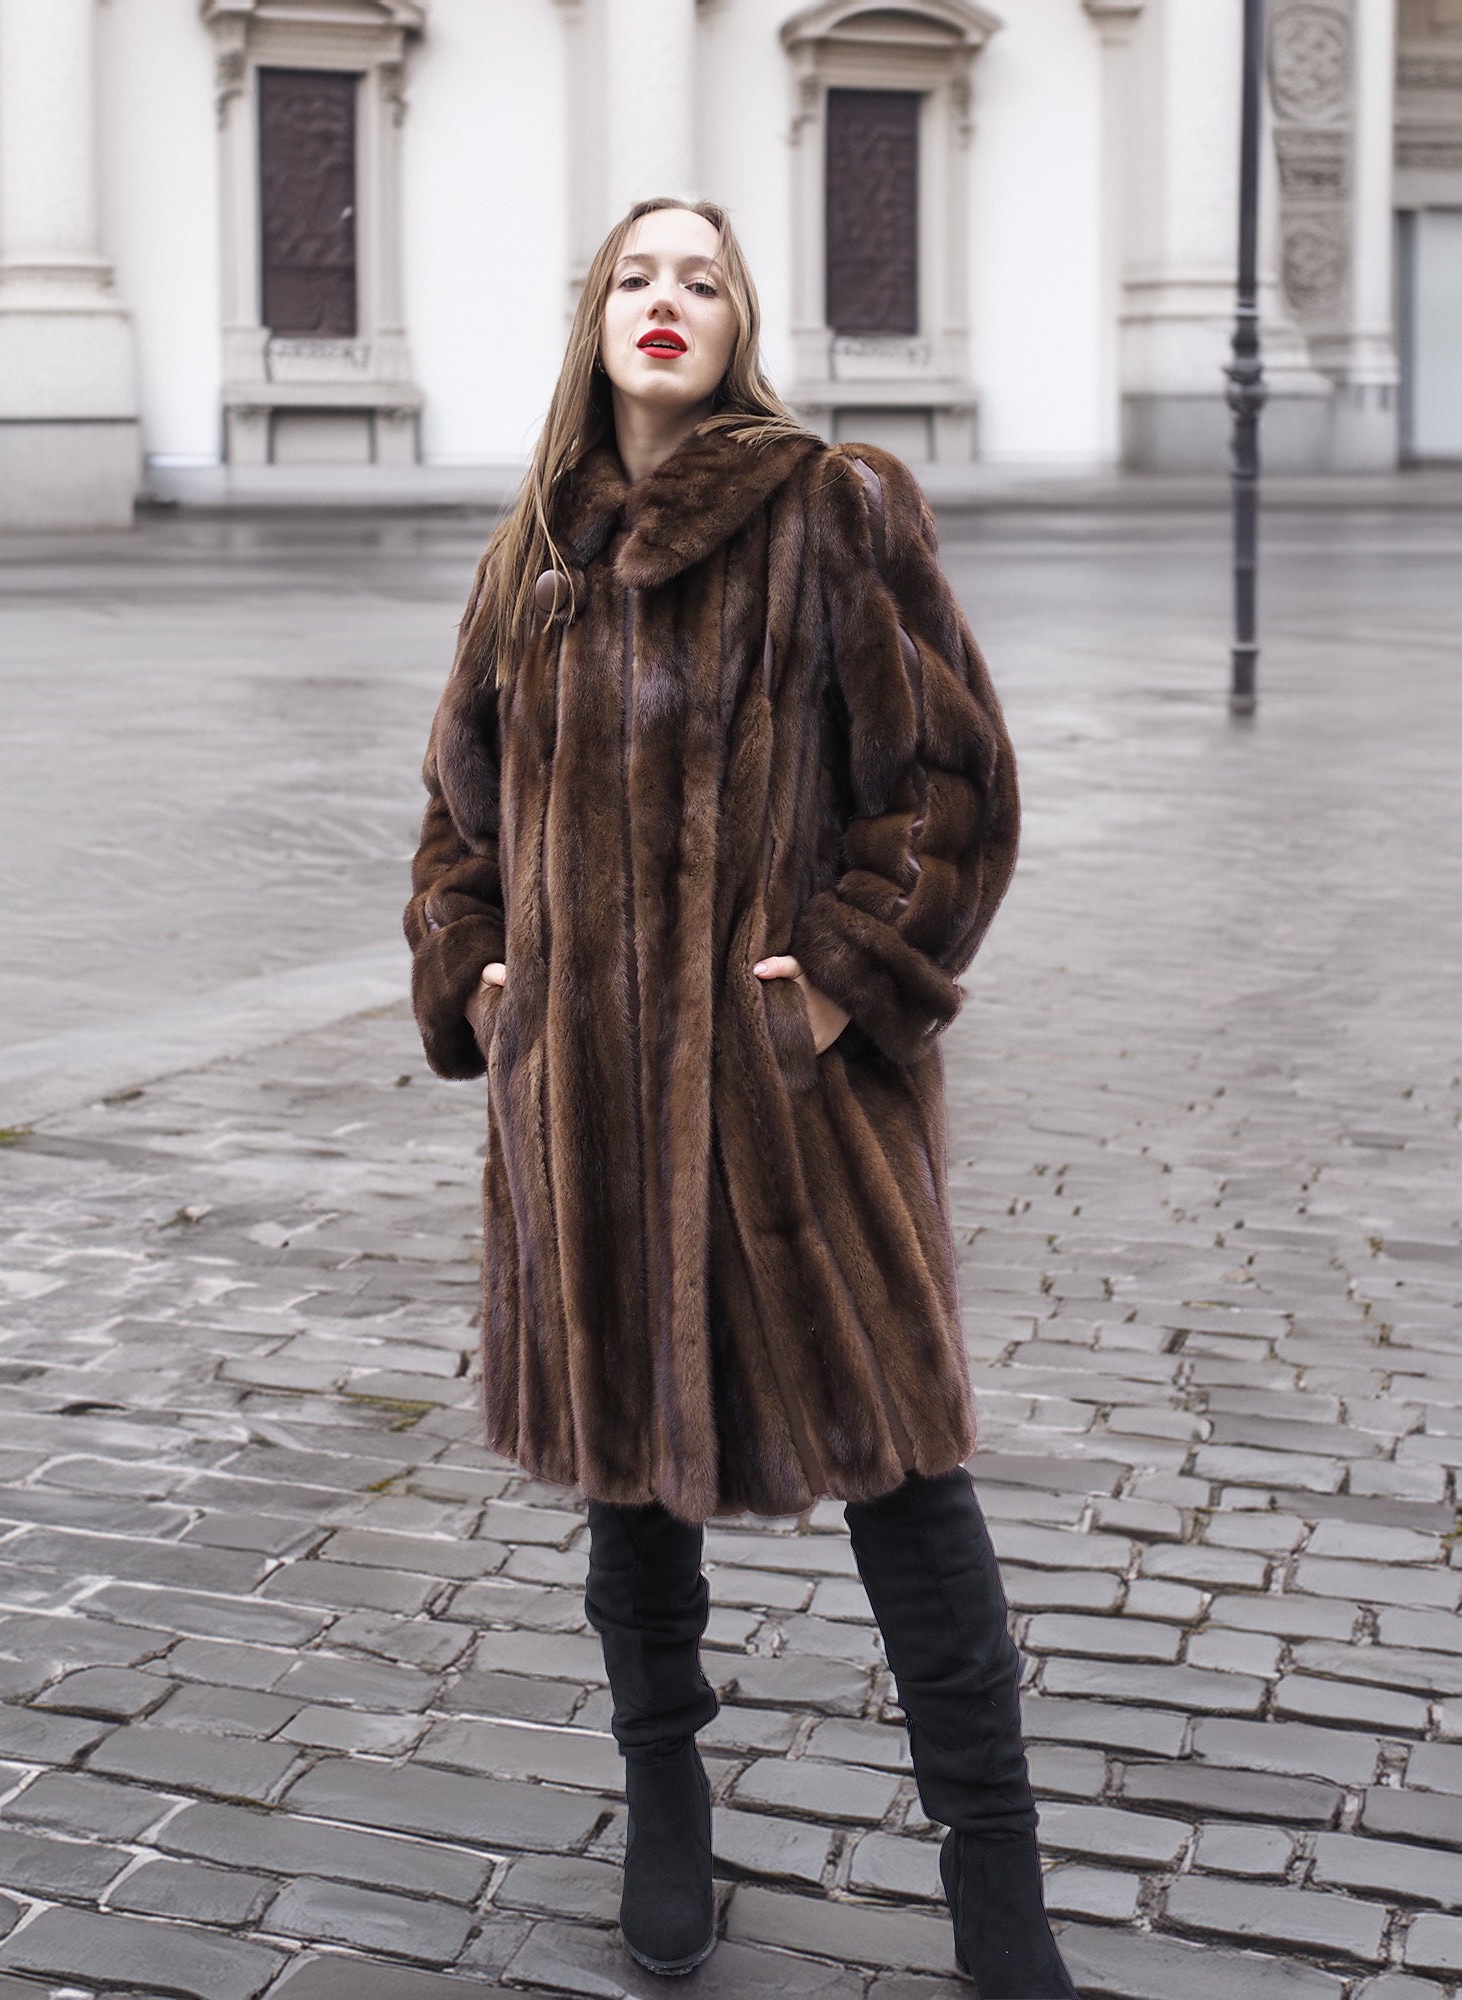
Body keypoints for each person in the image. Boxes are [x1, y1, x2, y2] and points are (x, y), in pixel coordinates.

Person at [402, 196, 1078, 2000]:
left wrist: (846, 980)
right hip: (587, 1118)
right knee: (630, 1482)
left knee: (906, 1475)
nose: (665, 300)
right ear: (594, 318)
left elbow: (950, 787)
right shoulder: (531, 559)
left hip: (792, 1113)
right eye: (635, 275)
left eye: (700, 279)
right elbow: (457, 816)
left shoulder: (832, 509)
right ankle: (666, 1799)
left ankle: (996, 1873)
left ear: (740, 324)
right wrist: (480, 974)